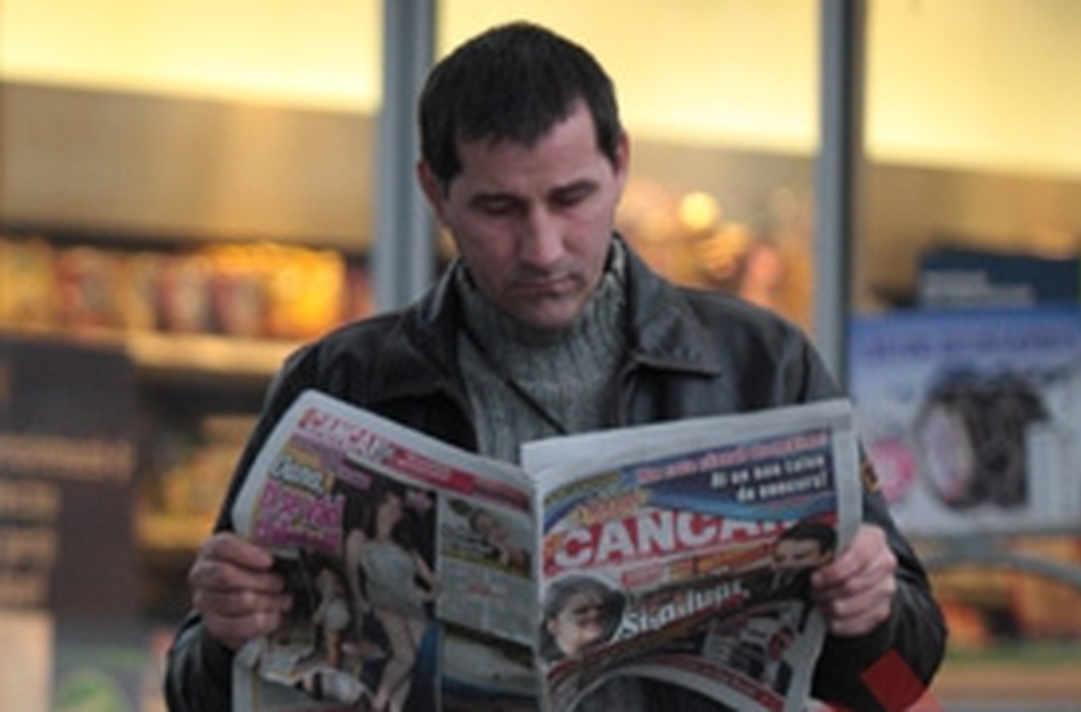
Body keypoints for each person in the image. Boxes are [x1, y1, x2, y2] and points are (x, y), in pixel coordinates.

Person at [163, 20, 946, 712]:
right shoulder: (342, 386)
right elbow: (196, 695)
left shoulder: (762, 366)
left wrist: (870, 618)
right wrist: (229, 635)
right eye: (499, 209)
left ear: (620, 164)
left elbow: (897, 687)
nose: (542, 248)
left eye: (571, 199)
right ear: (435, 191)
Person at [344, 481, 442, 712]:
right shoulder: (360, 538)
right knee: (405, 656)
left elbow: (433, 581)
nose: (391, 511)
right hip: (384, 602)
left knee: (410, 663)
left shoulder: (405, 546)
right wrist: (359, 599)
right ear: (376, 506)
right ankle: (378, 704)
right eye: (387, 504)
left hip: (412, 604)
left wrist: (428, 593)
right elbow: (351, 572)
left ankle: (395, 708)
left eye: (396, 507)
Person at [540, 575, 626, 662]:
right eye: (581, 611)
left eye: (600, 608)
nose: (595, 614)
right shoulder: (540, 666)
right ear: (554, 626)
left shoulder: (621, 654)